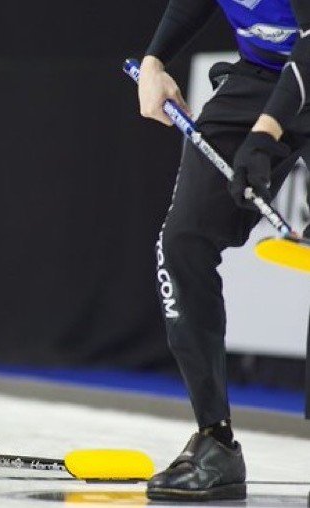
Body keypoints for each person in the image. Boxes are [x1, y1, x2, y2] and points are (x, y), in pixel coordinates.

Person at [137, 0, 310, 502]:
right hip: (261, 75)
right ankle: (216, 441)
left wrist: (266, 132)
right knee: (182, 241)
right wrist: (155, 61)